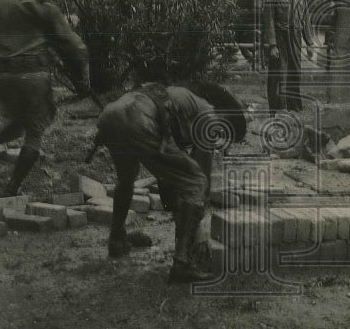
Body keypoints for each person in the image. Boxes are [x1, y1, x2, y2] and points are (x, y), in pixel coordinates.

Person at [94, 81, 247, 283]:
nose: (219, 139)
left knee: (126, 177)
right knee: (196, 182)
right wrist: (200, 230)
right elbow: (198, 181)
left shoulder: (181, 100)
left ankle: (116, 238)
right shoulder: (208, 116)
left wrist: (175, 203)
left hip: (111, 115)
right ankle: (182, 264)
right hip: (137, 118)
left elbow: (169, 171)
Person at [0, 0, 90, 196]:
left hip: (3, 78)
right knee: (34, 133)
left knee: (16, 127)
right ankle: (12, 188)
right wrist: (83, 77)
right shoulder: (47, 9)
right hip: (33, 77)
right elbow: (74, 46)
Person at [262, 0, 314, 113]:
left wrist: (310, 43)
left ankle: (294, 107)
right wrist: (272, 45)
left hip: (295, 39)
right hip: (280, 39)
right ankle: (279, 109)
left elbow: (306, 20)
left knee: (295, 73)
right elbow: (269, 21)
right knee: (280, 75)